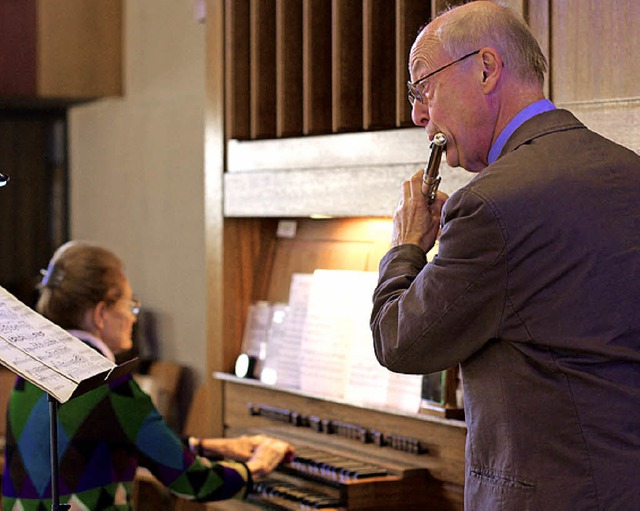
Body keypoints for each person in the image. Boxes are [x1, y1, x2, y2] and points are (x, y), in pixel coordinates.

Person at [370, 1, 640, 509]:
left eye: (423, 86)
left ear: (487, 69)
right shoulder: (630, 170)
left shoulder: (490, 204)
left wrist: (406, 246)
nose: (418, 114)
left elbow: (399, 341)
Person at [2, 240, 293, 510]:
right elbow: (192, 482)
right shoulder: (108, 385)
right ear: (101, 313)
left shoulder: (29, 377)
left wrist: (210, 446)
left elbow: (103, 440)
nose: (132, 316)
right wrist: (256, 468)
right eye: (130, 304)